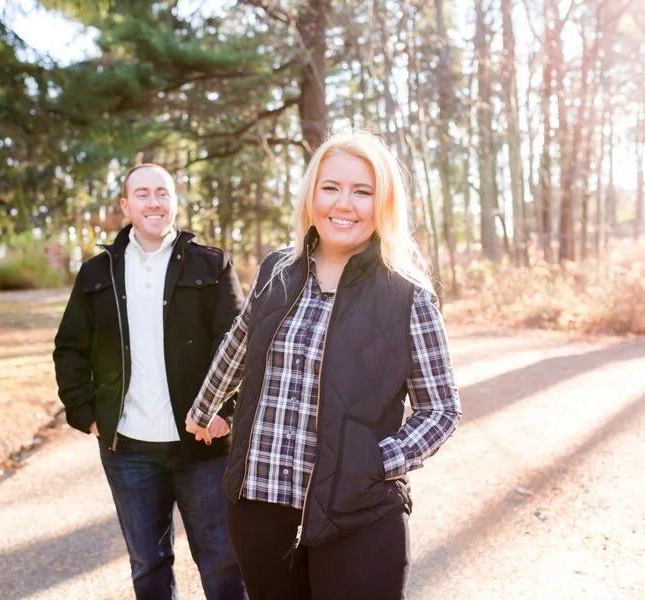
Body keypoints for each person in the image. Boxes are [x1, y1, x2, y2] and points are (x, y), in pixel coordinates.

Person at [185, 132, 462, 600]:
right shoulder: (276, 269)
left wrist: (375, 462)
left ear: (384, 204)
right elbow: (238, 344)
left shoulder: (408, 296)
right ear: (312, 195)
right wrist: (204, 407)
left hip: (358, 510)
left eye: (363, 191)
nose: (344, 204)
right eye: (331, 187)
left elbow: (441, 411)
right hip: (261, 501)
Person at [53, 163, 247, 600]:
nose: (154, 201)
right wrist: (87, 417)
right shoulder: (96, 273)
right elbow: (69, 349)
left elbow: (241, 346)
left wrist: (227, 414)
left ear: (175, 202)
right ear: (126, 205)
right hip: (129, 449)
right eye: (142, 194)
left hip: (203, 445)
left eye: (162, 192)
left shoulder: (212, 264)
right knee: (148, 565)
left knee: (223, 561)